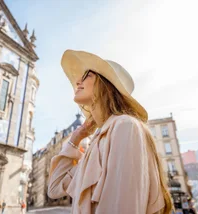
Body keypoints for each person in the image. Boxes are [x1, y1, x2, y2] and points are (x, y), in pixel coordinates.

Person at [47, 50, 173, 214]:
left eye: (87, 75)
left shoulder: (125, 126)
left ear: (104, 85)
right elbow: (55, 188)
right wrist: (75, 138)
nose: (78, 81)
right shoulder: (97, 142)